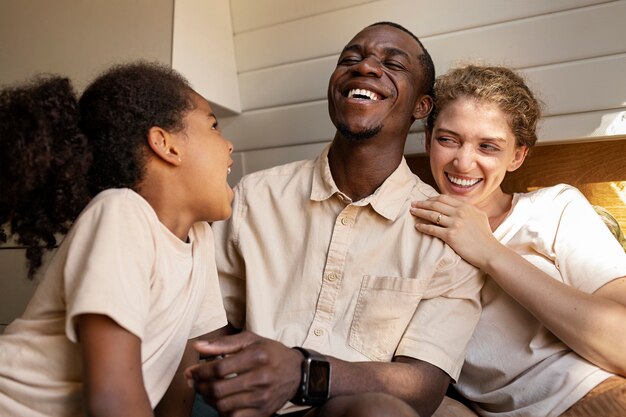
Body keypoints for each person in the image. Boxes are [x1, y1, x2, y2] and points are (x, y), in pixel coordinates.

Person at [185, 22, 483, 417]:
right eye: (351, 59)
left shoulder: (446, 234)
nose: (366, 68)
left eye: (392, 64)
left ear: (421, 107)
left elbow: (423, 389)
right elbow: (203, 318)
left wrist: (302, 373)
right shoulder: (253, 198)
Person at [0, 62, 234, 417]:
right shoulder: (121, 214)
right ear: (165, 144)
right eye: (213, 126)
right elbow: (112, 400)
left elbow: (182, 375)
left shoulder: (199, 240)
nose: (229, 145)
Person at [410, 64, 626, 417]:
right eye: (448, 139)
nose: (464, 163)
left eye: (488, 147)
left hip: (600, 396)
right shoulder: (408, 233)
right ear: (427, 140)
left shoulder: (554, 208)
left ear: (517, 156)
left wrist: (490, 252)